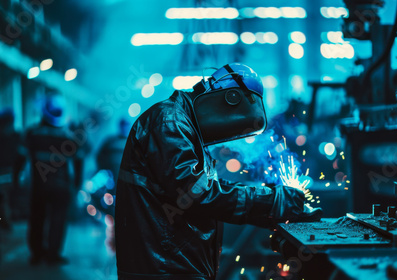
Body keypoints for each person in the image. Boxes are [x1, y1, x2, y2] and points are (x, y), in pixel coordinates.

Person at [115, 63, 322, 280]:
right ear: (228, 97)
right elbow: (195, 194)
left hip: (174, 266)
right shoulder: (169, 122)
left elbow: (205, 189)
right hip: (163, 269)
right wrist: (271, 201)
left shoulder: (184, 124)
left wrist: (272, 209)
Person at [19, 94, 77, 265]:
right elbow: (79, 159)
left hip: (39, 185)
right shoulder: (67, 135)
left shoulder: (32, 133)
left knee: (37, 218)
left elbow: (20, 158)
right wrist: (77, 183)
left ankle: (37, 253)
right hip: (61, 186)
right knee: (58, 220)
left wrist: (17, 180)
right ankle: (53, 254)